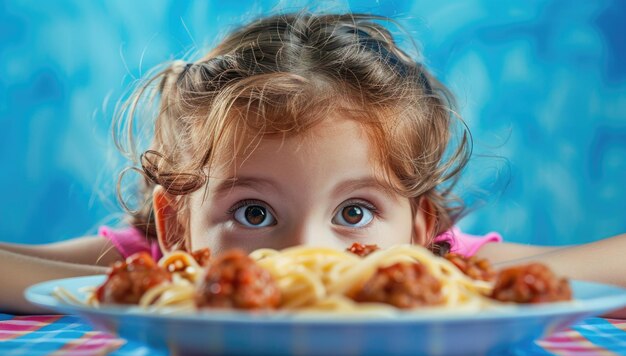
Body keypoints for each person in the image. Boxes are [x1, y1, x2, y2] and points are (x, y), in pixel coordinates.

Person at [1, 12, 625, 314]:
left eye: (355, 211)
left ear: (418, 227)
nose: (309, 252)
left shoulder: (435, 272)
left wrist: (469, 281)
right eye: (253, 210)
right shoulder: (154, 267)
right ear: (175, 229)